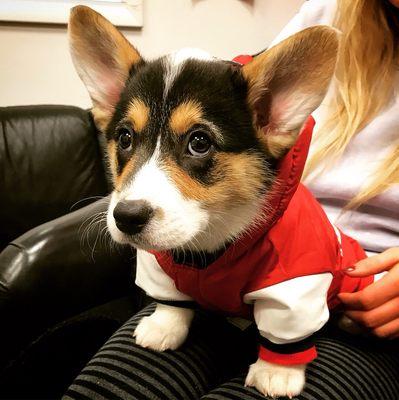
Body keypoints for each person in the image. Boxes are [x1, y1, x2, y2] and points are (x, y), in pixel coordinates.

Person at [64, 1, 399, 399]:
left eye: (198, 142)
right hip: (223, 236)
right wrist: (172, 307)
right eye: (125, 138)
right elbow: (232, 100)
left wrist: (282, 353)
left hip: (358, 292)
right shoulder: (334, 10)